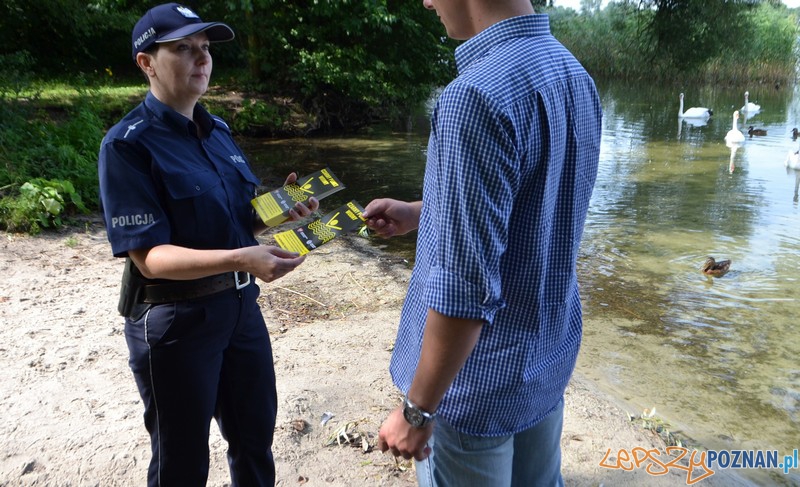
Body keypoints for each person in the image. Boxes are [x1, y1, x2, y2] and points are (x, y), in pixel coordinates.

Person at [364, 1, 602, 485]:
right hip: (544, 363)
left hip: (474, 387)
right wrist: (421, 212)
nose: (427, 2)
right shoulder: (573, 73)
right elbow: (534, 213)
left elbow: (464, 292)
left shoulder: (473, 98)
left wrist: (416, 410)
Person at [97, 3, 319, 485]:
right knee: (181, 462)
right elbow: (150, 258)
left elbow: (241, 221)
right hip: (177, 324)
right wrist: (243, 256)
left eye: (204, 49)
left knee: (255, 443)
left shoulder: (218, 132)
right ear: (147, 63)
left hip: (241, 310)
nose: (201, 59)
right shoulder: (127, 145)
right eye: (182, 49)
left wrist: (283, 212)